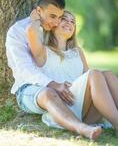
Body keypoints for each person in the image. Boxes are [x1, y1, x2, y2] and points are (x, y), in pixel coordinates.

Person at [25, 10, 118, 139]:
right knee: (95, 73)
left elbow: (92, 82)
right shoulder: (43, 51)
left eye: (72, 21)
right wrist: (37, 16)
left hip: (84, 108)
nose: (69, 22)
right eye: (64, 19)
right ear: (54, 24)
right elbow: (31, 31)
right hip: (65, 105)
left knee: (107, 74)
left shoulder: (77, 52)